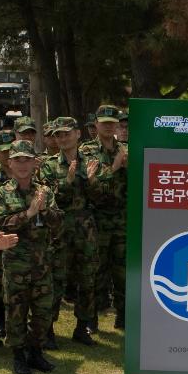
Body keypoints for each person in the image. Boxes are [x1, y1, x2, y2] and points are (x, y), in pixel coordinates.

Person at [0, 140, 62, 374]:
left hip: (42, 264)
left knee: (43, 312)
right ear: (9, 163)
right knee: (16, 312)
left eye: (27, 160)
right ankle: (19, 355)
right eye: (17, 160)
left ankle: (36, 351)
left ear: (35, 163)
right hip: (16, 265)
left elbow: (59, 223)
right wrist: (29, 213)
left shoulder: (45, 191)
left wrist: (44, 211)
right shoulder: (0, 192)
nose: (22, 165)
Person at [43, 117, 99, 346]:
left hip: (85, 229)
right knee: (56, 279)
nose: (62, 138)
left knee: (87, 278)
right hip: (59, 228)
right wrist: (66, 181)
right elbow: (48, 198)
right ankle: (47, 329)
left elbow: (103, 198)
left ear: (78, 134)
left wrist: (94, 181)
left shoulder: (92, 161)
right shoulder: (48, 164)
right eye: (58, 135)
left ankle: (82, 327)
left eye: (66, 133)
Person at [83, 105, 127, 330]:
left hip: (122, 220)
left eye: (113, 122)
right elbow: (92, 187)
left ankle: (124, 315)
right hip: (97, 220)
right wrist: (116, 167)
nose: (109, 126)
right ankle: (92, 318)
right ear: (96, 125)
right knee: (95, 271)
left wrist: (128, 167)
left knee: (123, 271)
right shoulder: (87, 151)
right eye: (104, 122)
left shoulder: (127, 149)